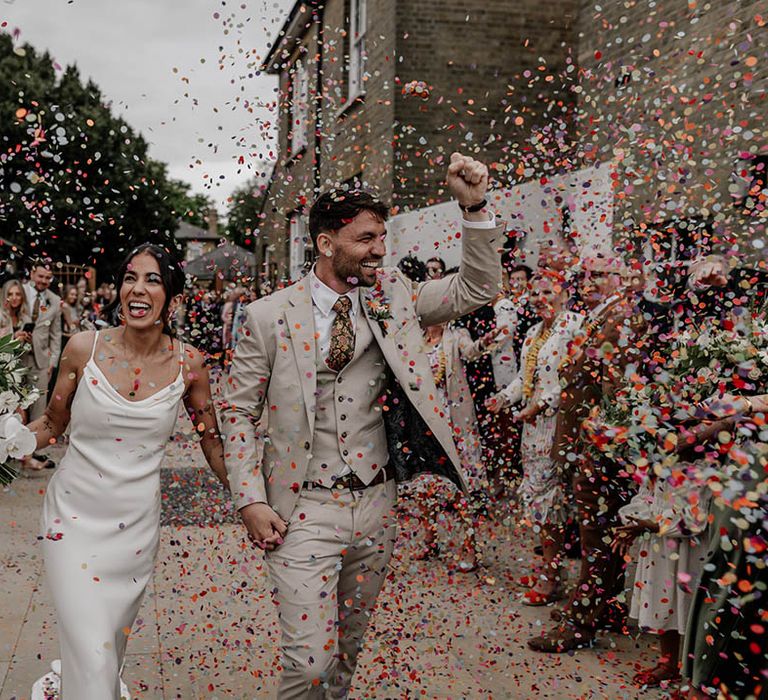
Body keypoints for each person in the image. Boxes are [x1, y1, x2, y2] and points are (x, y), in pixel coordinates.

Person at [220, 152, 503, 699]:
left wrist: (475, 210)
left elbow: (476, 292)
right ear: (327, 244)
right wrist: (249, 499)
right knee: (309, 664)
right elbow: (236, 410)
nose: (380, 250)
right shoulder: (268, 315)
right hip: (303, 508)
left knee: (344, 659)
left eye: (382, 237)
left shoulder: (394, 295)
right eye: (367, 238)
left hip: (376, 505)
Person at [28, 243, 229, 700]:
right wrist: (9, 439)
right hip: (71, 521)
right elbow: (52, 424)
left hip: (134, 533)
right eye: (130, 278)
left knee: (106, 647)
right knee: (92, 655)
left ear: (173, 299)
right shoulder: (83, 348)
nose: (137, 289)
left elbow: (211, 442)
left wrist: (253, 496)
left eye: (152, 280)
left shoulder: (189, 363)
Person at [528, 255, 643, 652]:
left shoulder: (622, 317)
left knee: (597, 537)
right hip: (583, 440)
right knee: (600, 535)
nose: (590, 280)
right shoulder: (599, 316)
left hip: (597, 445)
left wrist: (596, 447)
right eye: (587, 274)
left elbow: (614, 389)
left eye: (601, 274)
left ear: (623, 278)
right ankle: (604, 607)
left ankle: (579, 625)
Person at [487, 271, 583, 604]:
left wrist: (541, 404)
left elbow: (573, 378)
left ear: (563, 293)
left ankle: (552, 578)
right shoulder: (533, 331)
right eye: (536, 292)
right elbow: (522, 378)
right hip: (532, 429)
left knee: (549, 503)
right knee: (538, 502)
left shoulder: (573, 325)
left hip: (556, 427)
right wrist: (503, 398)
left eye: (548, 291)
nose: (541, 297)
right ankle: (548, 565)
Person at [406, 319, 501, 571]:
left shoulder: (456, 335)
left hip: (454, 420)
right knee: (425, 483)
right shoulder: (416, 339)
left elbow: (471, 351)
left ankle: (469, 545)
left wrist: (485, 342)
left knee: (462, 484)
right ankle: (430, 537)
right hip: (426, 422)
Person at [23, 259, 62, 422]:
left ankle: (33, 446)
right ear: (32, 273)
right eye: (40, 276)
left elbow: (56, 334)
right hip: (16, 357)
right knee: (13, 405)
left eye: (48, 278)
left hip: (41, 362)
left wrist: (52, 361)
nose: (44, 281)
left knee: (38, 409)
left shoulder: (54, 300)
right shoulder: (18, 292)